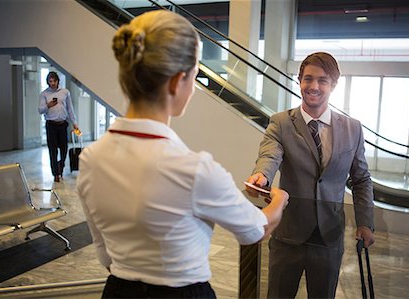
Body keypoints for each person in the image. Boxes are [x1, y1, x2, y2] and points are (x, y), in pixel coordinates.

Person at [76, 10, 288, 299]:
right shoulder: (195, 169)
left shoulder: (90, 159)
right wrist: (280, 199)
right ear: (177, 81)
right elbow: (255, 230)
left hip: (118, 291)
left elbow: (105, 256)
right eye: (195, 75)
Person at [247, 52, 375, 298]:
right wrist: (261, 176)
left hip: (329, 237)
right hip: (288, 236)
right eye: (308, 79)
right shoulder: (281, 123)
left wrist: (365, 222)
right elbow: (269, 156)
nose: (313, 86)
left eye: (322, 80)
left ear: (333, 85)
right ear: (299, 81)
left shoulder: (353, 128)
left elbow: (361, 179)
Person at [38, 71, 79, 182]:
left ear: (57, 81)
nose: (52, 83)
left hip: (62, 125)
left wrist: (74, 123)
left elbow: (70, 109)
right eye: (50, 81)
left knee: (64, 149)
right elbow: (40, 110)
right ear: (48, 82)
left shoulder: (65, 92)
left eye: (54, 81)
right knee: (53, 150)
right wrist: (48, 105)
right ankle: (56, 173)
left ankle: (60, 167)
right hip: (51, 125)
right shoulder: (44, 94)